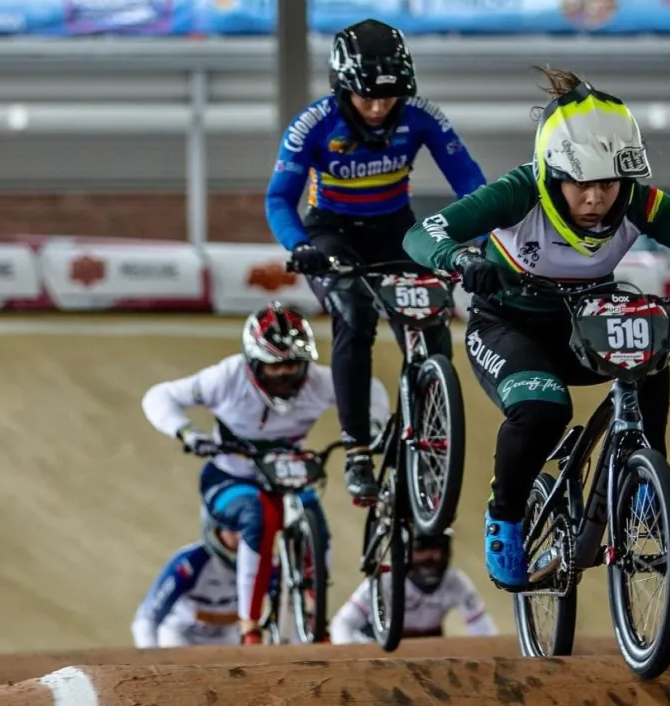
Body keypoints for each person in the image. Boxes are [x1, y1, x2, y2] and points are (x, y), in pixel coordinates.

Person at [401, 67, 670, 591]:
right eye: (583, 183)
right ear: (554, 174)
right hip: (506, 326)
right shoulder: (518, 192)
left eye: (608, 183)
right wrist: (460, 259)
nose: (597, 197)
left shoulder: (638, 202)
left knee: (651, 355)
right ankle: (505, 515)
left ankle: (645, 479)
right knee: (543, 409)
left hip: (583, 325)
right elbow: (422, 234)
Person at [266, 18, 488, 504]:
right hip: (332, 233)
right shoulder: (314, 123)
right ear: (343, 89)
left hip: (395, 231)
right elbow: (279, 198)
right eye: (366, 98)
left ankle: (432, 426)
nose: (378, 107)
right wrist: (297, 245)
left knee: (431, 315)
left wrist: (484, 234)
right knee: (355, 312)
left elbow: (470, 182)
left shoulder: (421, 115)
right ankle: (357, 451)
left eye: (389, 98)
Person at [142, 302, 391, 644]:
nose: (286, 375)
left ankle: (314, 609)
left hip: (289, 473)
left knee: (317, 522)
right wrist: (186, 432)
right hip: (230, 476)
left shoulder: (318, 381)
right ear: (253, 363)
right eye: (276, 367)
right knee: (257, 515)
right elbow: (160, 395)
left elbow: (370, 387)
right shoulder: (227, 377)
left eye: (294, 365)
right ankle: (249, 625)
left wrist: (372, 426)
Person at [329, 529, 497, 643]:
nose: (432, 556)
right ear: (405, 550)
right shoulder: (387, 579)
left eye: (438, 547)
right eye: (421, 548)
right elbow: (342, 624)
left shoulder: (455, 582)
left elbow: (484, 631)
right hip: (383, 645)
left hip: (426, 651)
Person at [131, 514, 242, 648]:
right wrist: (150, 659)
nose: (240, 536)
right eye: (233, 529)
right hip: (182, 636)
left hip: (226, 639)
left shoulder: (263, 563)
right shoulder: (190, 561)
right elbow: (147, 617)